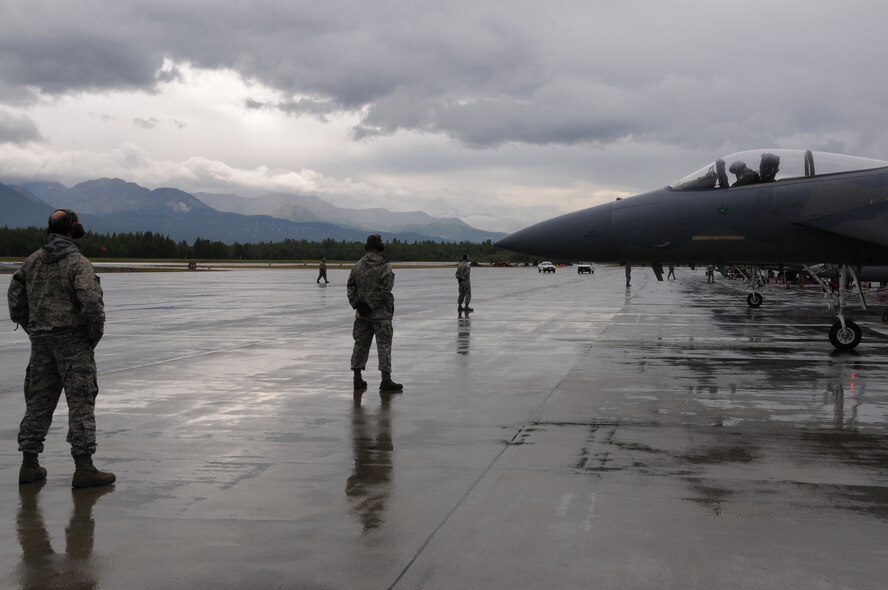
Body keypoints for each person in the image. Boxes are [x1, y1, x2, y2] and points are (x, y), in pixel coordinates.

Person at [8, 209, 116, 488]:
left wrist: (33, 327)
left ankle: (29, 464)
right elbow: (91, 303)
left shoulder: (31, 262)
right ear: (74, 229)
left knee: (38, 402)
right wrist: (93, 335)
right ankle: (84, 467)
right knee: (80, 401)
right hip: (72, 342)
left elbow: (16, 298)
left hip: (41, 341)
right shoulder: (77, 262)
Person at [347, 235, 403, 393]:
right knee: (384, 346)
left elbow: (350, 285)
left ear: (366, 247)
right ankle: (385, 381)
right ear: (380, 248)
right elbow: (386, 291)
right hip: (381, 315)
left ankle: (357, 379)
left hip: (362, 315)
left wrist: (357, 304)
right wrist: (371, 304)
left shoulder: (357, 266)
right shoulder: (385, 267)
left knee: (360, 345)